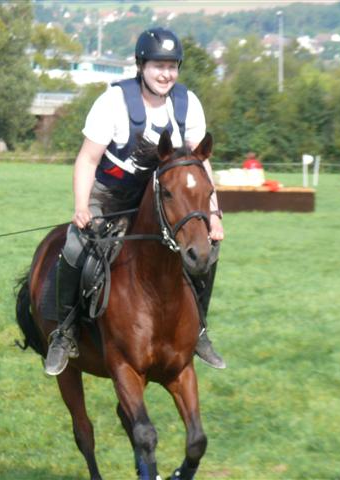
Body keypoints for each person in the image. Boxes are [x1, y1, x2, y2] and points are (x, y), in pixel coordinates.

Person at [44, 27, 226, 376]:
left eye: (172, 67)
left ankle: (200, 332)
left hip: (161, 200)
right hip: (109, 196)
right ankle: (64, 334)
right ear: (141, 66)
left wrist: (214, 215)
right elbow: (87, 160)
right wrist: (81, 206)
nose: (165, 74)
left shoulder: (188, 104)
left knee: (207, 249)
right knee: (75, 246)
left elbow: (200, 166)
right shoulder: (113, 102)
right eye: (158, 66)